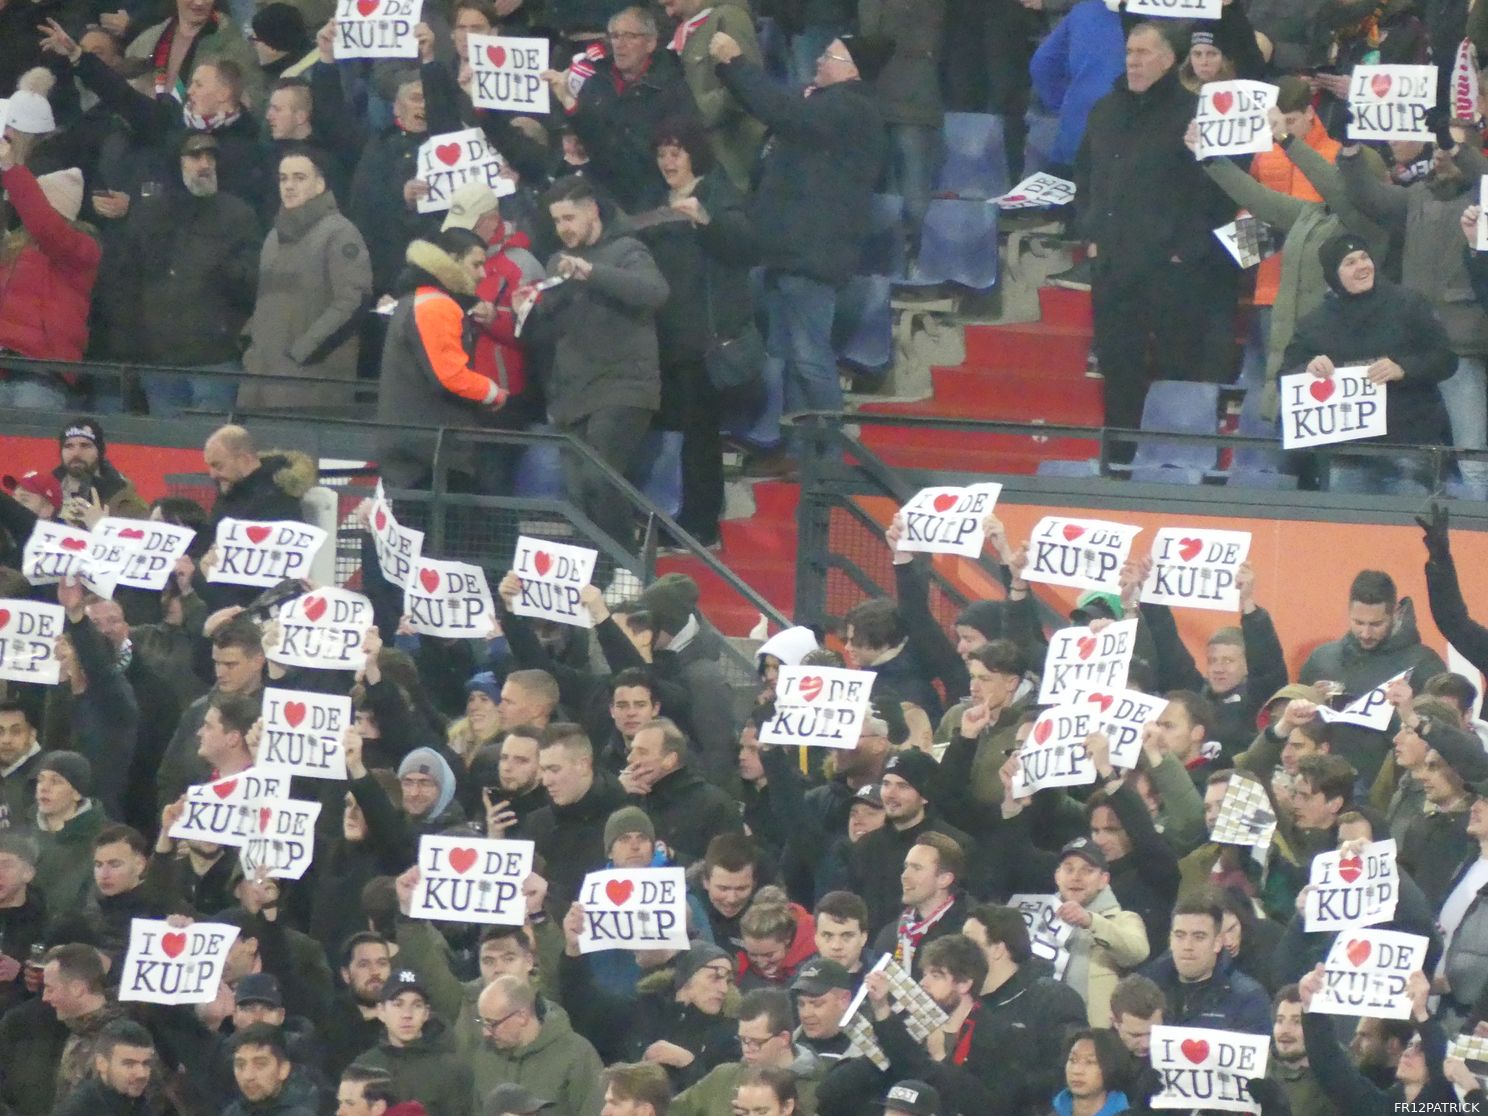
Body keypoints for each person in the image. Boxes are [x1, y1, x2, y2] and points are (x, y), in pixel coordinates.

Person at [710, 29, 888, 471]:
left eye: (830, 56)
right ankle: (796, 450)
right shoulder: (830, 107)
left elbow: (780, 109)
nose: (820, 62)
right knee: (789, 357)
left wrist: (735, 65)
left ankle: (829, 456)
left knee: (810, 358)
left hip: (811, 256)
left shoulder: (850, 109)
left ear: (853, 71)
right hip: (788, 251)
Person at [1073, 21, 1234, 442]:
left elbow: (1216, 191)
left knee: (1178, 365)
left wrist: (1188, 249)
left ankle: (1174, 459)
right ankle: (1119, 462)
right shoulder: (1104, 110)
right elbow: (1085, 176)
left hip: (1171, 268)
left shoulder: (1195, 112)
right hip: (1113, 264)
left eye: (1143, 52)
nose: (1133, 60)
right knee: (1117, 366)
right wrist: (1090, 234)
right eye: (1130, 51)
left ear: (1167, 59)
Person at [514, 175, 669, 554]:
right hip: (572, 396)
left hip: (623, 388)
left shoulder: (628, 249)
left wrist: (592, 273)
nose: (562, 229)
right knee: (579, 494)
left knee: (598, 479)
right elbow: (548, 331)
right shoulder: (556, 262)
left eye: (569, 218)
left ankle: (624, 566)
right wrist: (526, 312)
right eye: (557, 221)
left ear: (592, 211)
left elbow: (655, 293)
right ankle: (599, 577)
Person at [635, 116, 756, 549]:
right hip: (660, 337)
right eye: (662, 154)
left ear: (694, 155)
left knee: (699, 436)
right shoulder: (653, 198)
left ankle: (702, 525)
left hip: (703, 341)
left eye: (676, 153)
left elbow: (746, 246)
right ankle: (665, 512)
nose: (667, 162)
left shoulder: (718, 194)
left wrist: (705, 219)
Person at [1282, 234, 1456, 495]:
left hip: (1409, 447)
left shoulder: (1409, 304)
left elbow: (1446, 360)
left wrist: (1403, 369)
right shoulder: (1314, 323)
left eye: (1365, 257)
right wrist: (1309, 368)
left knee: (1410, 532)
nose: (1362, 266)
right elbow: (1285, 377)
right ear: (1333, 274)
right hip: (1346, 455)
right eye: (1349, 262)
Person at [118, 132, 261, 416]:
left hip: (215, 358)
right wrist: (136, 343)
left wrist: (223, 271)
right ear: (178, 162)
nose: (205, 164)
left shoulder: (238, 215)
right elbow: (127, 280)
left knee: (212, 453)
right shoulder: (149, 214)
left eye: (210, 157)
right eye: (195, 157)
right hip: (159, 360)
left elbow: (252, 280)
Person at [375, 227, 510, 488]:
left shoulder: (416, 298)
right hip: (432, 454)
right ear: (452, 260)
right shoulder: (436, 305)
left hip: (413, 446)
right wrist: (492, 392)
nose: (483, 274)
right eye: (476, 264)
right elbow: (450, 375)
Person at [241, 147, 371, 409]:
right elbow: (268, 300)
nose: (289, 186)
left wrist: (302, 351)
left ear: (320, 184)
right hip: (261, 375)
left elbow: (353, 301)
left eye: (299, 178)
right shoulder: (273, 238)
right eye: (283, 178)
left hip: (313, 380)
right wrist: (250, 342)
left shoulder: (340, 233)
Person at [541, 7, 699, 211]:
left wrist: (576, 111)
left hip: (650, 197)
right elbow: (587, 140)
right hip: (600, 193)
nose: (620, 44)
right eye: (615, 36)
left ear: (650, 42)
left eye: (630, 36)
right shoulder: (596, 82)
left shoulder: (671, 87)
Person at [1298, 569, 1447, 784]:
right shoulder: (1323, 659)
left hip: (1392, 786)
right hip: (1323, 785)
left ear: (1395, 614)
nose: (1366, 633)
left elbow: (1441, 733)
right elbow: (1298, 725)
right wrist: (1314, 704)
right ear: (1348, 612)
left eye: (1376, 624)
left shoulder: (1424, 664)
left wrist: (1401, 711)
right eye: (1358, 623)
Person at [0, 138, 97, 407]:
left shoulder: (81, 248)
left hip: (40, 373)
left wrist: (11, 167)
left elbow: (45, 227)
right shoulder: (12, 246)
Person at [850, 750, 977, 934]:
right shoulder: (866, 846)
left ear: (924, 796)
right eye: (886, 784)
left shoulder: (956, 845)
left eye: (903, 786)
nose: (890, 794)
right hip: (876, 951)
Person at [656, 0, 762, 191]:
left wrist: (693, 114)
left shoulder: (729, 17)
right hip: (701, 162)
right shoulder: (682, 30)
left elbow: (748, 87)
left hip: (733, 163)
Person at [670, 990, 821, 1116]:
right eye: (743, 1040)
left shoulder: (817, 1089)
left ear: (783, 1038)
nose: (747, 1048)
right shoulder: (722, 1077)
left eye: (756, 1042)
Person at [473, 974, 606, 1116]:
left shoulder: (577, 1054)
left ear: (522, 1016)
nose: (486, 1033)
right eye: (482, 1023)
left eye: (492, 1024)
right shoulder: (485, 1056)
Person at [1141, 892, 1270, 1034]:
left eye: (1199, 937)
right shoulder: (1146, 991)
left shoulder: (1248, 998)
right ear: (1170, 940)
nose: (1187, 946)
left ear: (1217, 943)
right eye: (1180, 936)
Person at [527, 724, 629, 903]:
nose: (546, 781)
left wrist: (550, 892)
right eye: (543, 770)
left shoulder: (624, 822)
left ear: (583, 765)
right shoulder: (537, 823)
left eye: (554, 769)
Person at [622, 718, 743, 861]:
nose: (630, 758)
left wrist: (674, 857)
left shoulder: (713, 805)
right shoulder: (626, 797)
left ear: (669, 760)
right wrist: (616, 792)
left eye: (642, 752)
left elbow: (729, 866)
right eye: (631, 750)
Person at [356, 970, 471, 1116]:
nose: (407, 1014)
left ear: (426, 1013)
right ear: (381, 1011)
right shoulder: (364, 1069)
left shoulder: (452, 1071)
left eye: (416, 1005)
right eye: (398, 1004)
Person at [874, 833, 969, 977]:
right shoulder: (890, 935)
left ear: (944, 879)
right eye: (906, 866)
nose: (904, 876)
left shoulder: (967, 933)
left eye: (916, 868)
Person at [51, 1018, 156, 1116]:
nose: (141, 1074)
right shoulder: (77, 1110)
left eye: (146, 1063)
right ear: (101, 1063)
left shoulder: (140, 1104)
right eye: (129, 1064)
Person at [52, 419, 149, 523]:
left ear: (100, 451)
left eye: (85, 445)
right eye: (68, 446)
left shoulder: (122, 498)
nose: (76, 453)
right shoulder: (43, 490)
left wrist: (102, 528)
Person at [225, 1024, 319, 1116]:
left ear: (283, 1070)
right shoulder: (233, 1111)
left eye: (260, 1064)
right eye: (240, 1065)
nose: (248, 1075)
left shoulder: (305, 1110)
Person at [0, 703, 45, 830]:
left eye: (16, 732)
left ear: (32, 735)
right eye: (0, 731)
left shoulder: (49, 776)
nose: (6, 740)